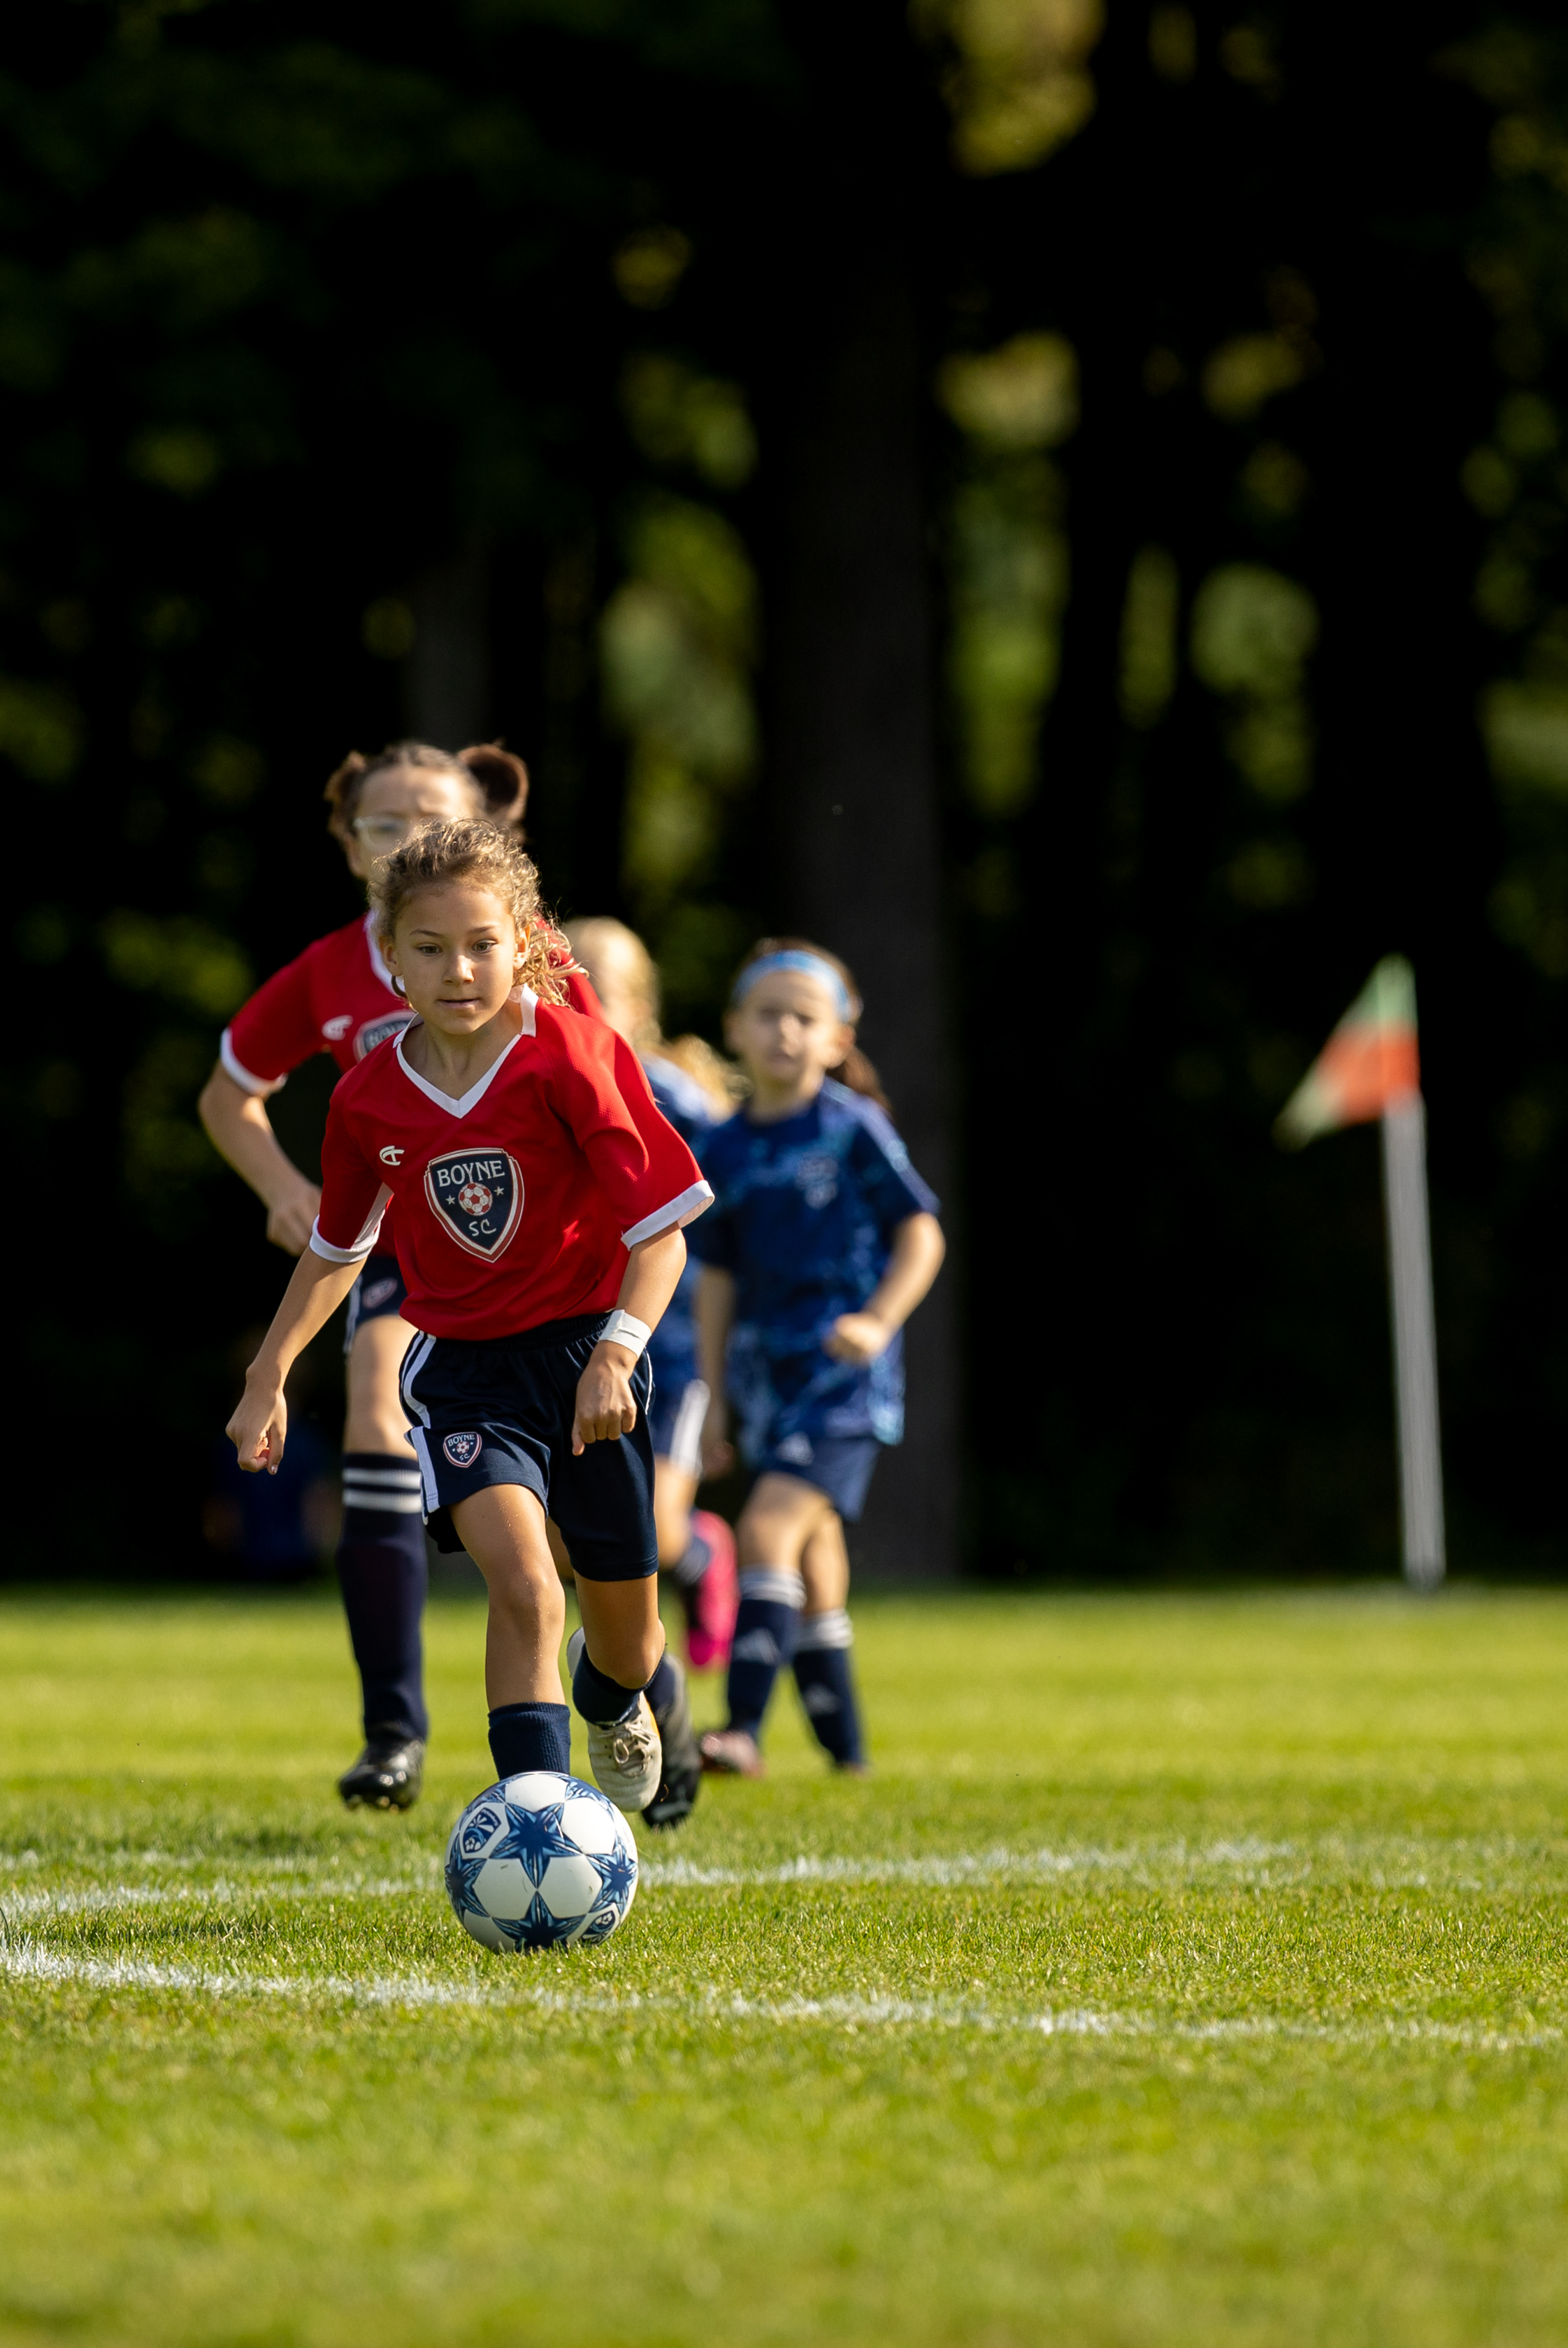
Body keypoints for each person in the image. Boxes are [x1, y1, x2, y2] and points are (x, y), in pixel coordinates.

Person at [226, 817, 713, 1817]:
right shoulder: (366, 1097)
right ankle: (534, 1821)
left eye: (483, 944)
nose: (458, 969)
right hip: (461, 1370)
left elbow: (661, 1236)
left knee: (628, 1638)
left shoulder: (574, 1055)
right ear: (390, 958)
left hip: (589, 1353)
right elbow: (336, 1247)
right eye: (431, 946)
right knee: (526, 1584)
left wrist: (616, 1352)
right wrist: (268, 1372)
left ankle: (612, 1694)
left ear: (523, 943)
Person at [200, 739, 588, 1812]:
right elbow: (227, 1093)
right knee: (376, 1415)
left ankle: (630, 1675)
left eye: (433, 818)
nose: (408, 837)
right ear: (348, 843)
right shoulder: (330, 967)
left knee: (579, 1536)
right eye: (384, 823)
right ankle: (393, 1732)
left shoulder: (526, 951)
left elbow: (604, 1099)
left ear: (483, 834)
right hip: (402, 1251)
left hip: (548, 1269)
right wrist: (287, 1189)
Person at [689, 939, 945, 1778]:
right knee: (813, 1556)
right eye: (767, 1014)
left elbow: (921, 1232)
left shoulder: (850, 1126)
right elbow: (715, 1278)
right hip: (767, 1380)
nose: (784, 1031)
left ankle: (741, 1730)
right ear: (734, 1027)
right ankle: (848, 1757)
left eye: (804, 1017)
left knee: (764, 1529)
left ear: (838, 1038)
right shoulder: (721, 1147)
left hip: (843, 1380)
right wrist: (714, 1394)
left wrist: (877, 1320)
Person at [563, 918, 738, 1671]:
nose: (578, 998)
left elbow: (735, 1186)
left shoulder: (674, 1097)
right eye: (563, 981)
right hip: (577, 1339)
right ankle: (633, 1675)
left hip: (672, 1346)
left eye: (599, 986)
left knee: (656, 1529)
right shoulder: (537, 1082)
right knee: (577, 1538)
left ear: (638, 1008)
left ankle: (701, 1552)